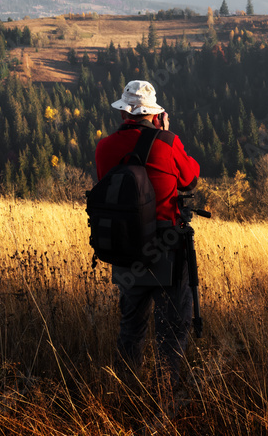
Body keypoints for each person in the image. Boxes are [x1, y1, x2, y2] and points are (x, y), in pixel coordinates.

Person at [94, 80, 201, 384]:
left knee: (131, 326)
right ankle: (165, 393)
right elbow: (190, 178)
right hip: (166, 243)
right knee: (173, 327)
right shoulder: (166, 142)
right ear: (155, 115)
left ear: (123, 114)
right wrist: (166, 133)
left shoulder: (105, 147)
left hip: (125, 246)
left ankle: (126, 391)